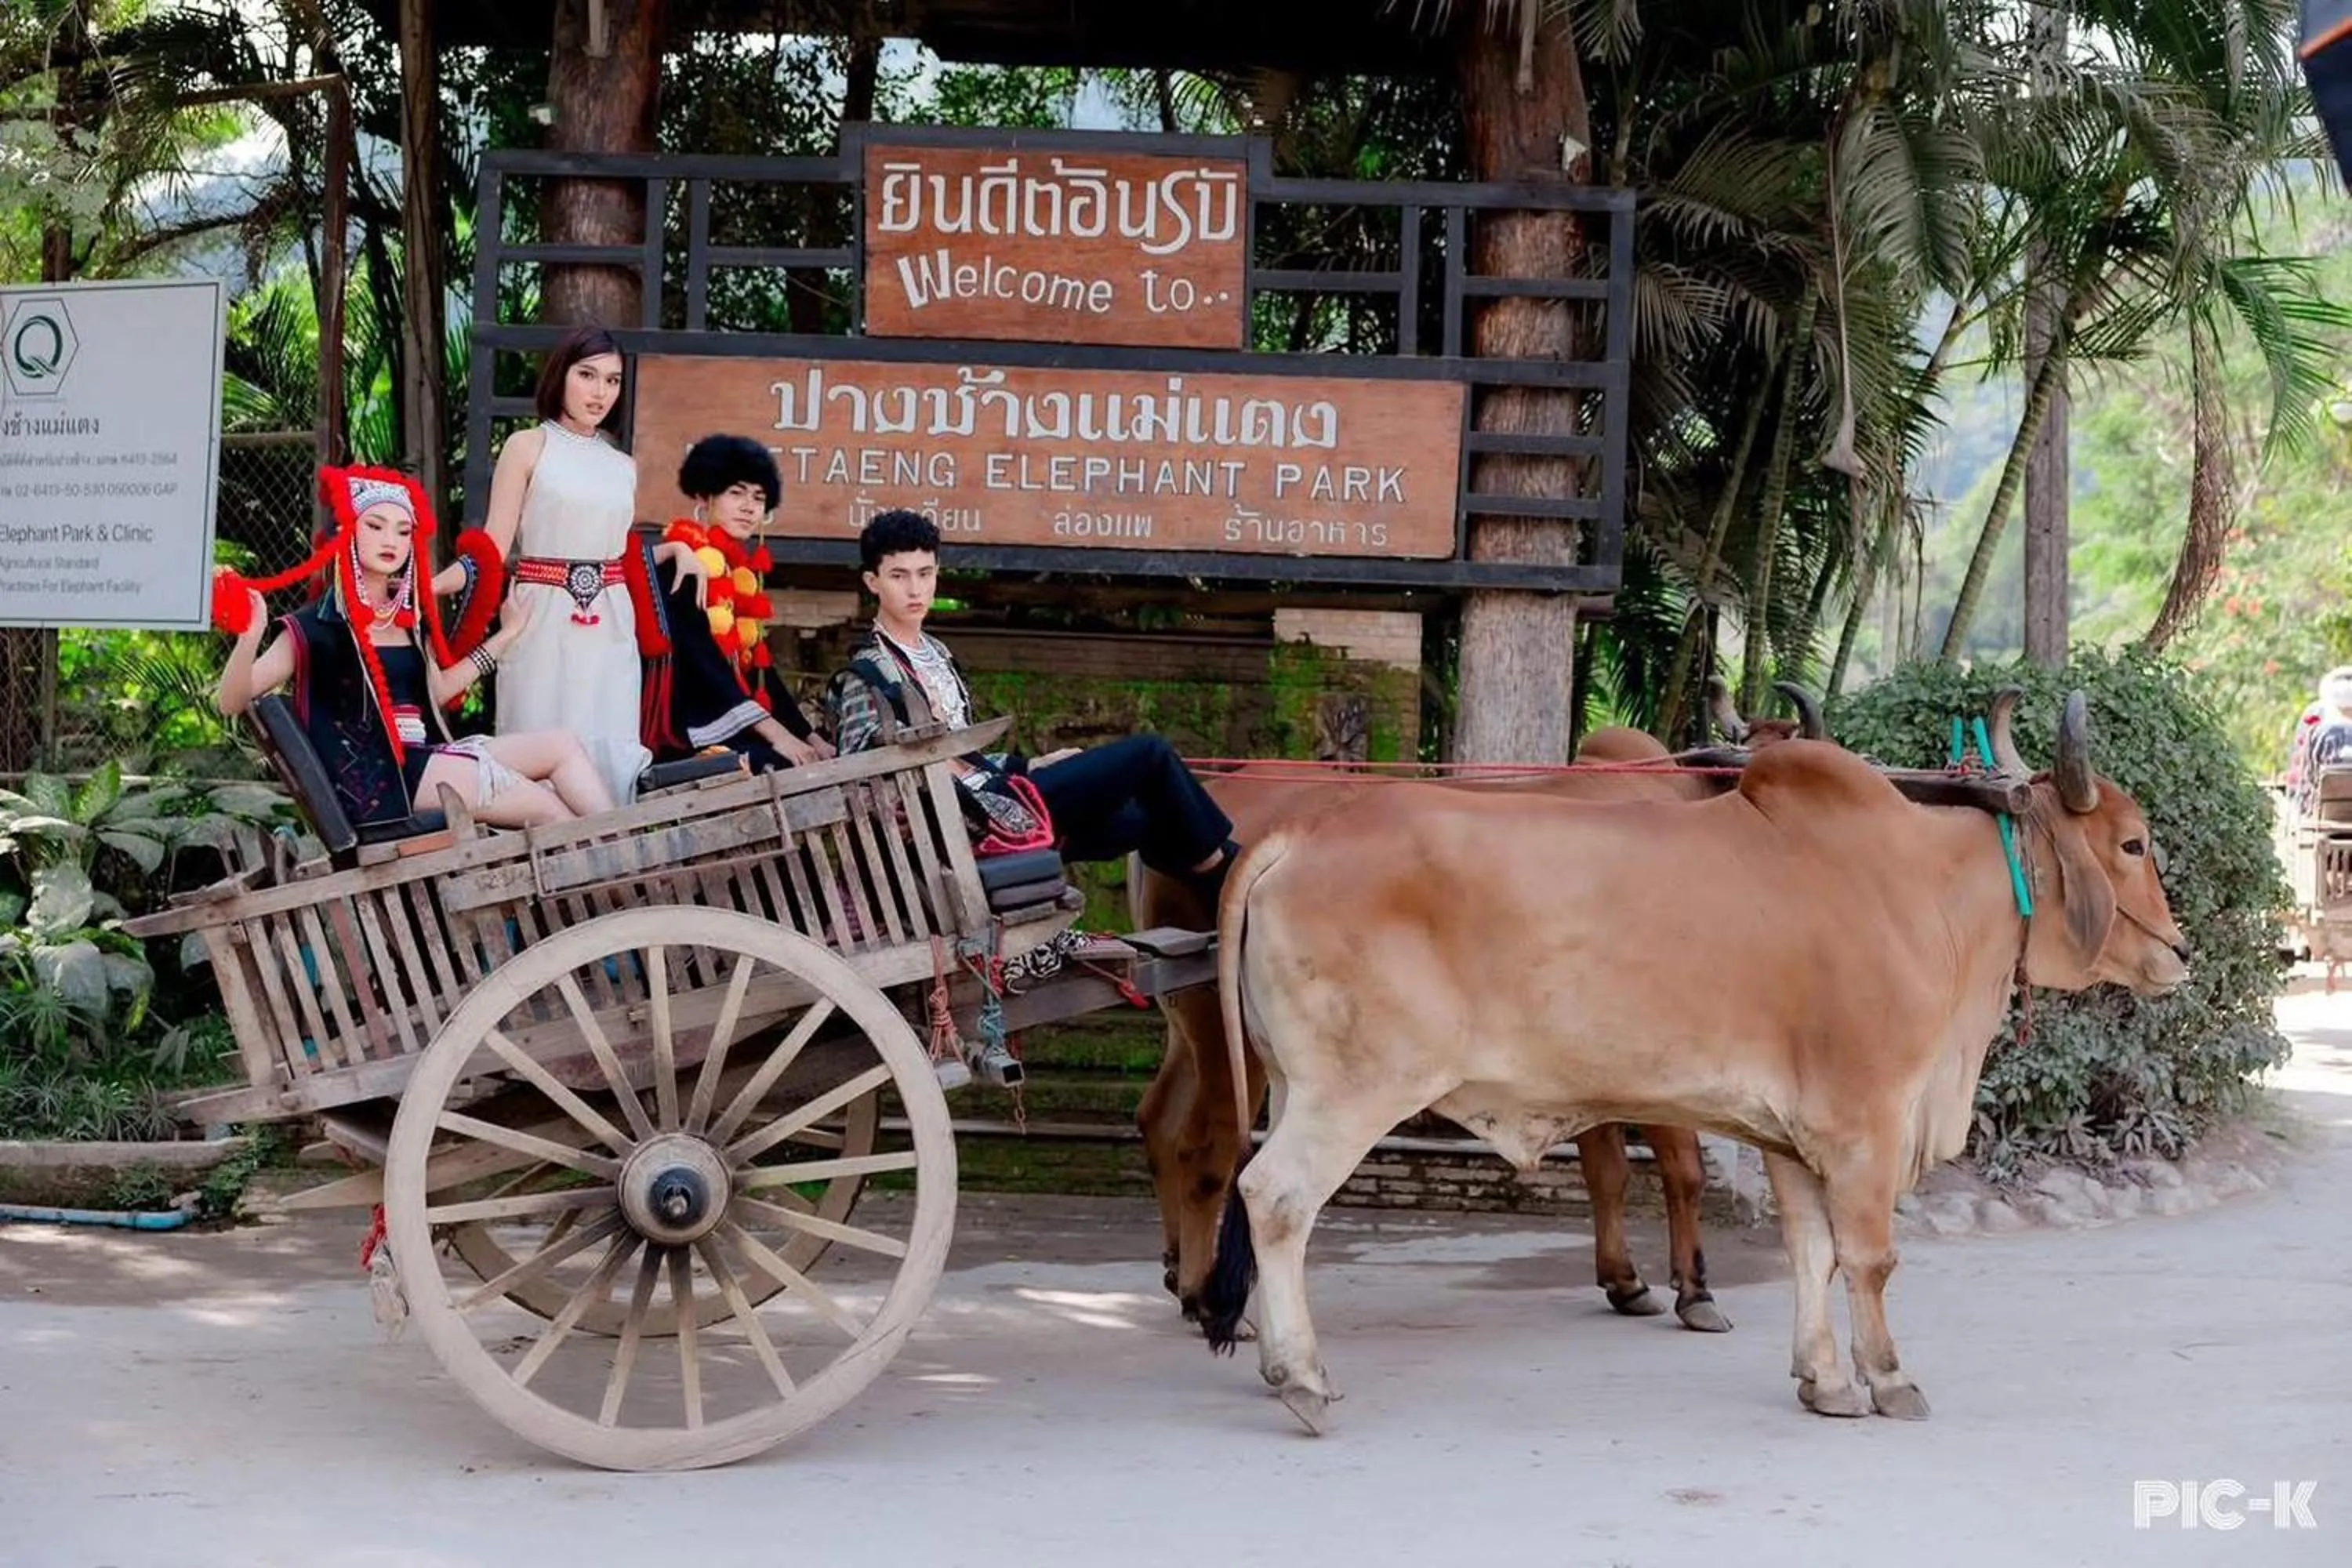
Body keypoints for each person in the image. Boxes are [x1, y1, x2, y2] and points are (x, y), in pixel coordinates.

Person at [824, 509, 1240, 897]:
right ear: (872, 582)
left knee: (1139, 819)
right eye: (899, 576)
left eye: (925, 573)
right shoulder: (868, 675)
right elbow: (859, 770)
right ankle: (1229, 874)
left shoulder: (938, 654)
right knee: (1151, 753)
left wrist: (1030, 765)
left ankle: (1214, 898)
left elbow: (967, 758)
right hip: (962, 822)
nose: (915, 589)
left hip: (993, 793)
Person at [212, 465, 616, 830]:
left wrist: (507, 635)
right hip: (382, 783)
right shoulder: (315, 627)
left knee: (563, 747)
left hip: (426, 758)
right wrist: (251, 635)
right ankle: (614, 892)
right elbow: (230, 702)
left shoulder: (406, 619)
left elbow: (436, 693)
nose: (391, 540)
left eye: (403, 531)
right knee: (546, 808)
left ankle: (624, 848)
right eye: (375, 526)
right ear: (347, 533)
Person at [434, 324, 707, 806]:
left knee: (609, 742)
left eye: (613, 380)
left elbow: (614, 546)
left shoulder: (622, 465)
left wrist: (675, 550)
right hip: (541, 615)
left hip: (611, 619)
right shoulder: (527, 445)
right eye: (588, 375)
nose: (600, 391)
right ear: (561, 375)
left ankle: (609, 864)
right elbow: (492, 551)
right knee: (540, 734)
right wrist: (430, 586)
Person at [639, 434, 835, 772]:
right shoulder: (683, 564)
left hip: (736, 718)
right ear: (705, 496)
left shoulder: (737, 574)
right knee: (777, 762)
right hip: (689, 726)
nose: (749, 507)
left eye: (758, 498)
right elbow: (705, 663)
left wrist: (808, 736)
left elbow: (760, 673)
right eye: (736, 493)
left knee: (815, 759)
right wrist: (777, 736)